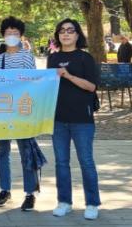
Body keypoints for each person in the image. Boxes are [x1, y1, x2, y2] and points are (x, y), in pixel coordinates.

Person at [48, 18, 101, 220]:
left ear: (78, 35)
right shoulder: (52, 58)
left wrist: (68, 76)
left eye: (70, 30)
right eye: (62, 30)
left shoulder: (85, 58)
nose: (66, 34)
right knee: (61, 162)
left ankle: (92, 203)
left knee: (86, 162)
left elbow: (91, 86)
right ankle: (64, 202)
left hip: (82, 119)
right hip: (57, 119)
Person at [0, 17, 43, 211]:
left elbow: (32, 80)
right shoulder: (0, 56)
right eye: (8, 32)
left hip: (22, 110)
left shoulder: (26, 55)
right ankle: (5, 189)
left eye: (15, 33)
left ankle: (30, 193)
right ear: (3, 34)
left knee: (25, 151)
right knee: (2, 151)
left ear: (21, 35)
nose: (12, 36)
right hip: (3, 110)